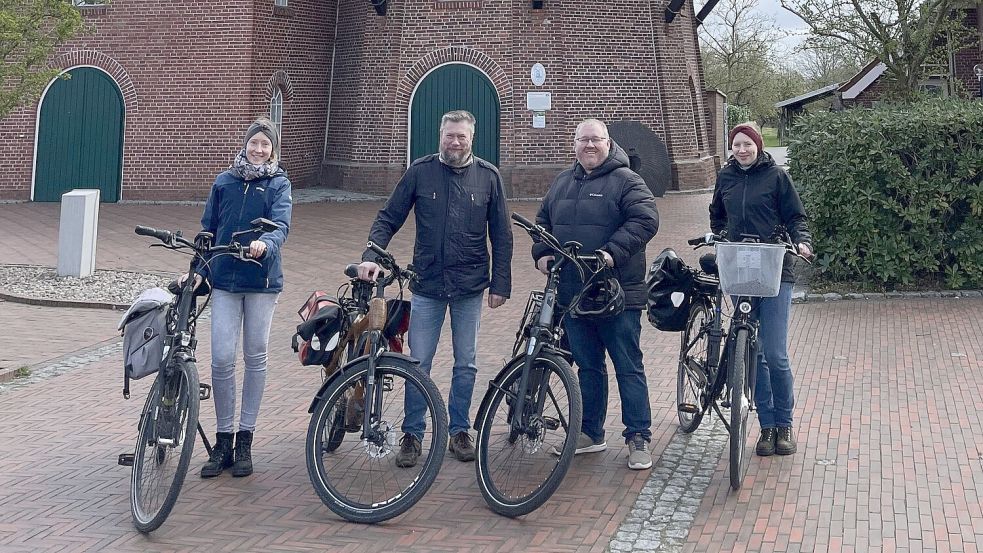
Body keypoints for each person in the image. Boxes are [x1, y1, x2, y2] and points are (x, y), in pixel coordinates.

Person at [357, 110, 513, 467]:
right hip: (427, 283)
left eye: (461, 136)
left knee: (466, 363)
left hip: (469, 286)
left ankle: (459, 431)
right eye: (449, 136)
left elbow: (502, 235)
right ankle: (413, 434)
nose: (454, 142)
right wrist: (371, 255)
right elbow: (388, 217)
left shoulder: (488, 177)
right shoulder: (420, 171)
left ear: (471, 138)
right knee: (418, 363)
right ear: (440, 135)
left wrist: (500, 283)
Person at [532, 119, 660, 470]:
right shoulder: (562, 181)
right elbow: (542, 222)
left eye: (596, 140)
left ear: (608, 143)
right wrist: (541, 253)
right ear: (574, 144)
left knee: (628, 366)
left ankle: (638, 436)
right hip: (574, 293)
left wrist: (611, 252)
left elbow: (645, 220)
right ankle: (590, 432)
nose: (589, 145)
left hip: (616, 292)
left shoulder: (627, 180)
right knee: (588, 367)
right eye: (583, 140)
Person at [195, 117, 292, 478]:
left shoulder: (278, 184)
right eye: (254, 142)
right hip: (224, 279)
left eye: (266, 144)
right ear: (245, 144)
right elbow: (208, 231)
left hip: (261, 280)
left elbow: (281, 226)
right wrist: (198, 270)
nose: (259, 149)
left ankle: (245, 439)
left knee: (255, 356)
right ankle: (223, 440)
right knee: (221, 358)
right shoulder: (224, 182)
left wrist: (264, 244)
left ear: (273, 149)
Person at [709, 122, 812, 457]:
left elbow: (796, 217)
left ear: (758, 146)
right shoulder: (726, 177)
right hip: (741, 267)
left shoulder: (777, 177)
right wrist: (720, 236)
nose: (742, 150)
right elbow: (717, 216)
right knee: (754, 352)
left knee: (775, 353)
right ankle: (766, 426)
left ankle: (785, 424)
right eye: (737, 145)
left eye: (747, 144)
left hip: (775, 268)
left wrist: (802, 241)